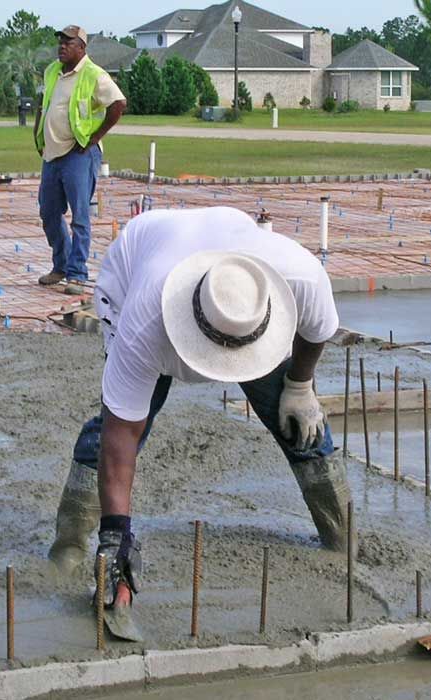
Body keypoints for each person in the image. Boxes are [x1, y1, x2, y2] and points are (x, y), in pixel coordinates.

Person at [47, 206, 351, 640]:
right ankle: (70, 548)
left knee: (301, 425)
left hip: (231, 287)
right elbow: (121, 435)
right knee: (124, 427)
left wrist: (300, 385)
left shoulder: (299, 278)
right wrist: (116, 540)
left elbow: (319, 331)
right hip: (141, 278)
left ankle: (342, 542)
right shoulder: (145, 320)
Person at [34, 25, 126, 296]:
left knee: (80, 217)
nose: (62, 46)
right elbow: (45, 103)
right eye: (60, 41)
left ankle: (77, 273)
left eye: (68, 42)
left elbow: (118, 104)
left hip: (79, 154)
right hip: (51, 155)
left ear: (82, 48)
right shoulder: (52, 70)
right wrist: (37, 134)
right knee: (49, 213)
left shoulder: (94, 74)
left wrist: (94, 138)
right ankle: (60, 266)